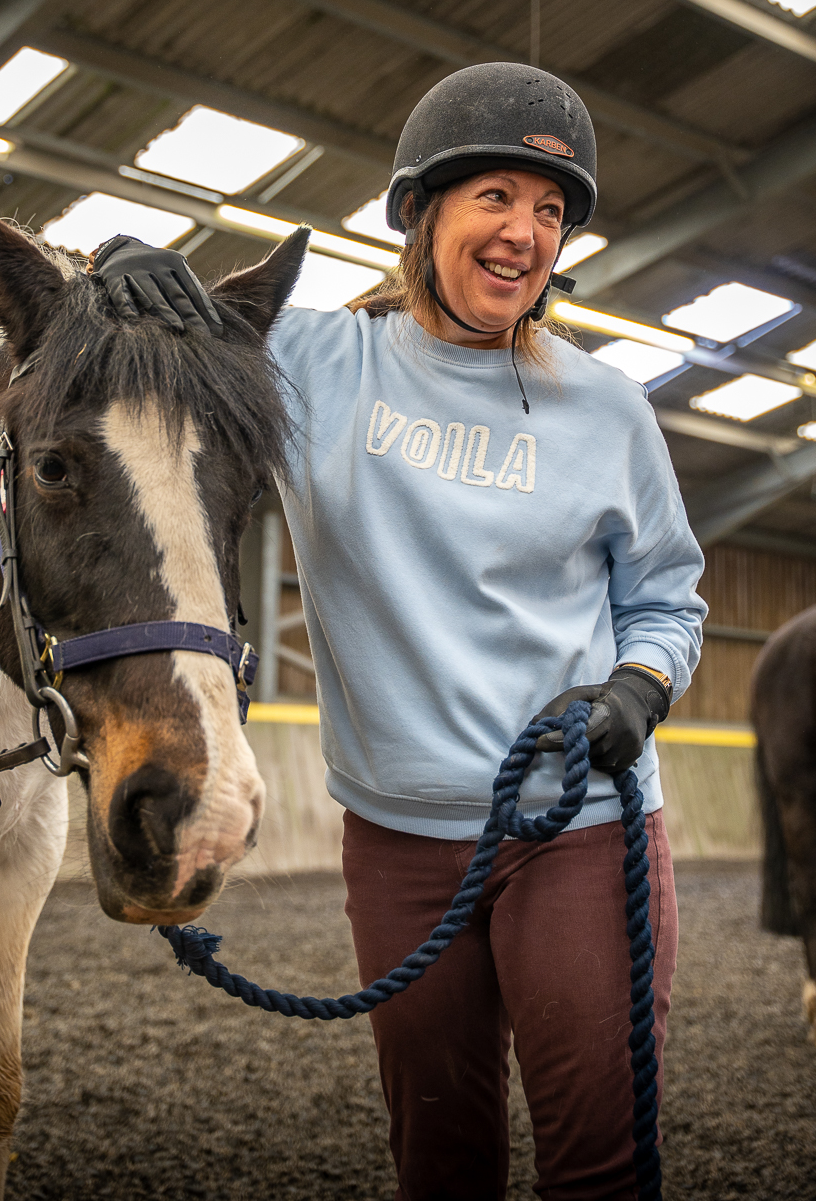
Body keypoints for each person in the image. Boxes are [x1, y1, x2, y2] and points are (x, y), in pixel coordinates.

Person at [118, 62, 706, 1200]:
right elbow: (155, 350)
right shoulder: (311, 362)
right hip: (395, 844)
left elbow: (668, 597)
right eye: (496, 198)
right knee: (440, 1165)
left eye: (550, 213)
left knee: (602, 1168)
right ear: (418, 211)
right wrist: (126, 265)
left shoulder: (609, 409)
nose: (524, 234)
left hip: (578, 829)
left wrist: (638, 687)